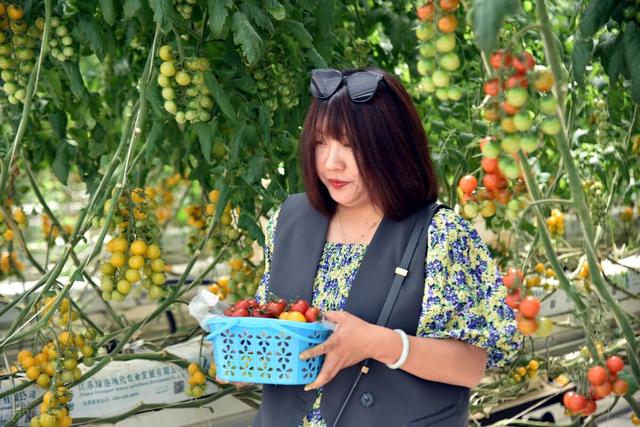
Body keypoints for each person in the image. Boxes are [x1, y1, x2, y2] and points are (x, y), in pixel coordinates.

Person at [247, 68, 521, 426]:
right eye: (320, 142)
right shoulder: (288, 220)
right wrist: (244, 357)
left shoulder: (440, 234)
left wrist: (379, 342)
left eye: (350, 144)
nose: (331, 162)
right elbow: (274, 335)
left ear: (392, 146)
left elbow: (471, 366)